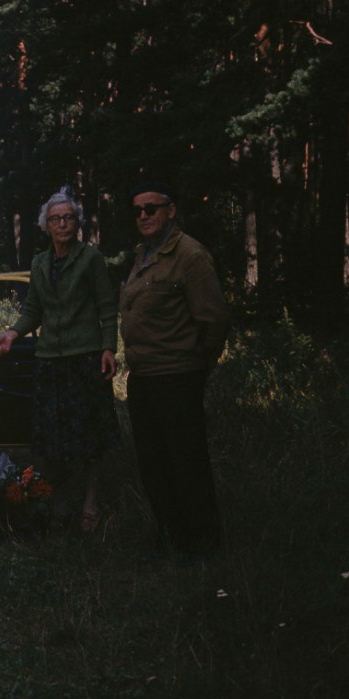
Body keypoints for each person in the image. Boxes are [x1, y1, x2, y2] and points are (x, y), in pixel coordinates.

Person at [0, 188, 120, 533]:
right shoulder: (39, 263)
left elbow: (107, 308)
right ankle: (57, 504)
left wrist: (109, 348)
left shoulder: (91, 258)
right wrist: (13, 333)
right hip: (50, 360)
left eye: (69, 218)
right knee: (52, 439)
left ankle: (91, 504)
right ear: (45, 226)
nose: (62, 224)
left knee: (90, 437)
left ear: (77, 223)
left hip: (85, 358)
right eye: (55, 219)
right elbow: (34, 309)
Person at [119, 181, 230, 556]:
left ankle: (204, 543)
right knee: (154, 463)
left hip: (178, 376)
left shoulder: (190, 255)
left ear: (171, 210)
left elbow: (213, 319)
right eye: (137, 210)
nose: (144, 216)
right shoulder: (144, 254)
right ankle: (171, 536)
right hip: (144, 377)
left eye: (152, 208)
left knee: (187, 461)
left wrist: (197, 365)